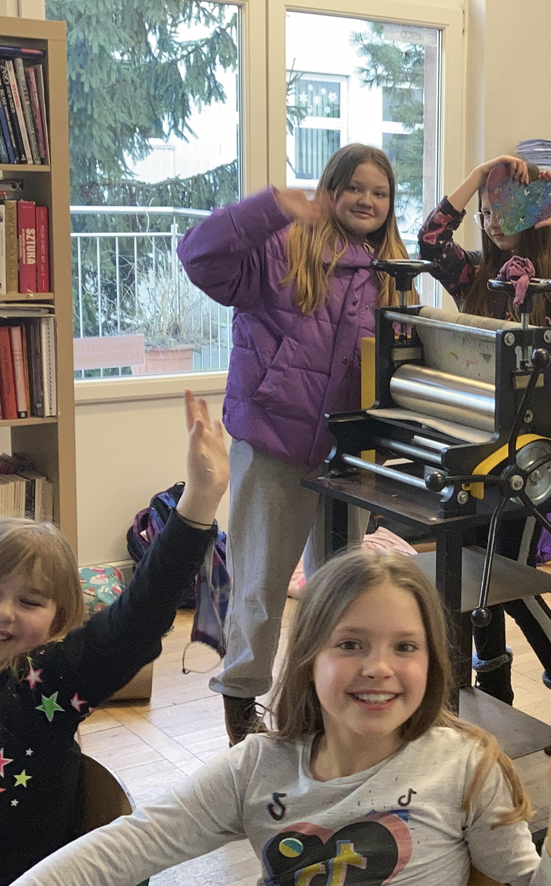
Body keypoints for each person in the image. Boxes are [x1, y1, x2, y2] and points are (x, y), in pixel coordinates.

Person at [14, 548, 551, 886]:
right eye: (351, 644)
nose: (379, 668)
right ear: (310, 659)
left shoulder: (467, 766)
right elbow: (130, 844)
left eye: (405, 647)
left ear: (433, 662)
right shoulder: (257, 767)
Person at [177, 144, 410, 745]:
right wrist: (270, 208)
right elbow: (199, 255)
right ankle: (241, 705)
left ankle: (321, 702)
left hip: (348, 454)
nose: (366, 200)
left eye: (379, 192)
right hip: (273, 442)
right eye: (354, 187)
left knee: (340, 588)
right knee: (259, 584)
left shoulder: (390, 271)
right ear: (329, 190)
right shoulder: (284, 246)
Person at [0, 391, 229, 885]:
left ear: (58, 621)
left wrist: (198, 503)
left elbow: (137, 618)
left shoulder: (52, 679)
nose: (4, 613)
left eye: (30, 601)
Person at [419, 155, 551, 712]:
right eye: (485, 212)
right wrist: (479, 174)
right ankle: (495, 690)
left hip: (534, 458)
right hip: (478, 444)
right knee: (476, 574)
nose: (491, 222)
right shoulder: (473, 274)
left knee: (511, 580)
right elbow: (430, 241)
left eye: (503, 211)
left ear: (533, 216)